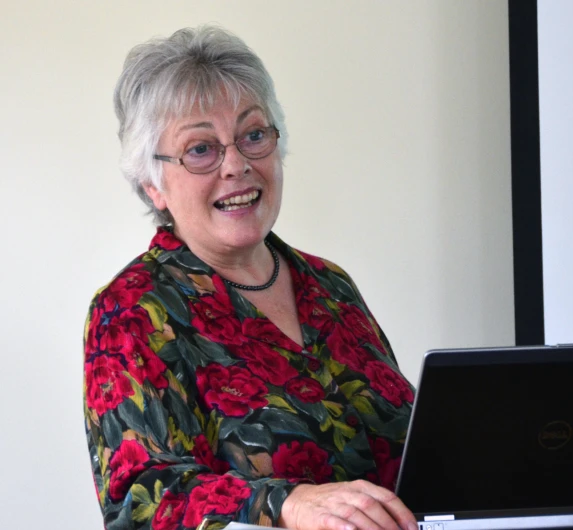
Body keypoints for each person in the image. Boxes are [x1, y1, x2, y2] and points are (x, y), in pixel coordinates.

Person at [83, 26, 418, 530]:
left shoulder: (332, 286)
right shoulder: (132, 310)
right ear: (154, 184)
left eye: (253, 135)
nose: (236, 165)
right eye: (201, 149)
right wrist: (287, 503)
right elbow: (142, 503)